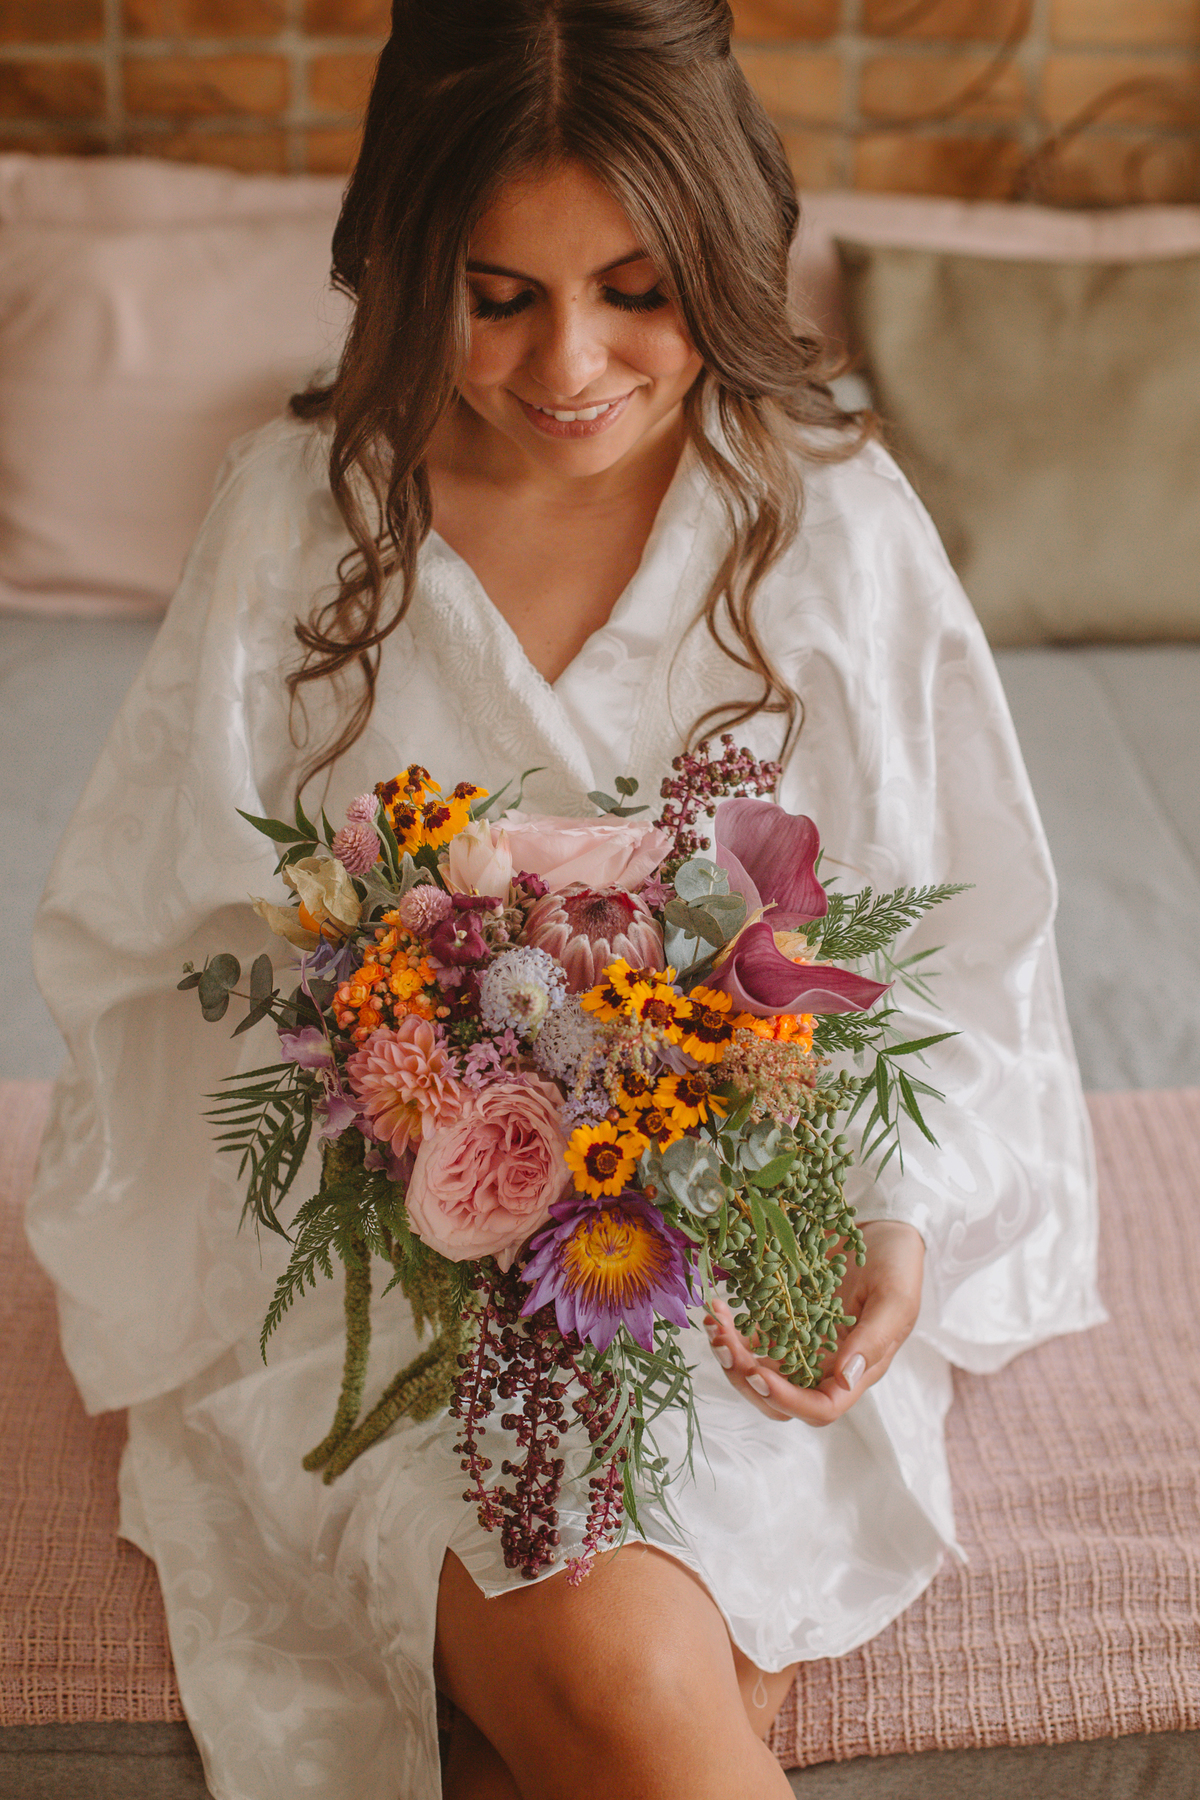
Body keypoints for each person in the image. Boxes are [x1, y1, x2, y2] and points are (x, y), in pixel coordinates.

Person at [27, 4, 1103, 1797]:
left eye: (634, 288)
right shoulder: (303, 522)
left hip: (741, 1251)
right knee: (619, 1694)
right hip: (389, 1259)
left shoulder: (830, 525)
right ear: (404, 261)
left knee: (617, 1705)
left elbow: (962, 956)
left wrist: (897, 1223)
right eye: (497, 292)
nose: (567, 365)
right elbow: (162, 953)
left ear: (728, 254)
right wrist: (396, 1109)